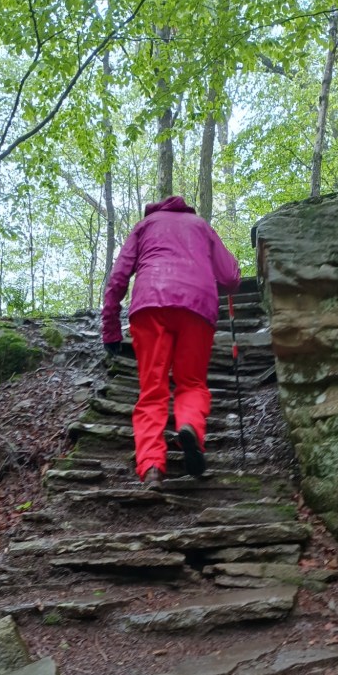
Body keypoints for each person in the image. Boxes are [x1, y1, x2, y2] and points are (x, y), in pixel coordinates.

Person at [101, 195, 241, 492]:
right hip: (198, 307)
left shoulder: (144, 226)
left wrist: (111, 328)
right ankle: (189, 427)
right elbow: (230, 277)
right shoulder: (200, 225)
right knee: (191, 383)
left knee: (152, 390)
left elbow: (118, 277)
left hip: (150, 305)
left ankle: (152, 467)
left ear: (154, 209)